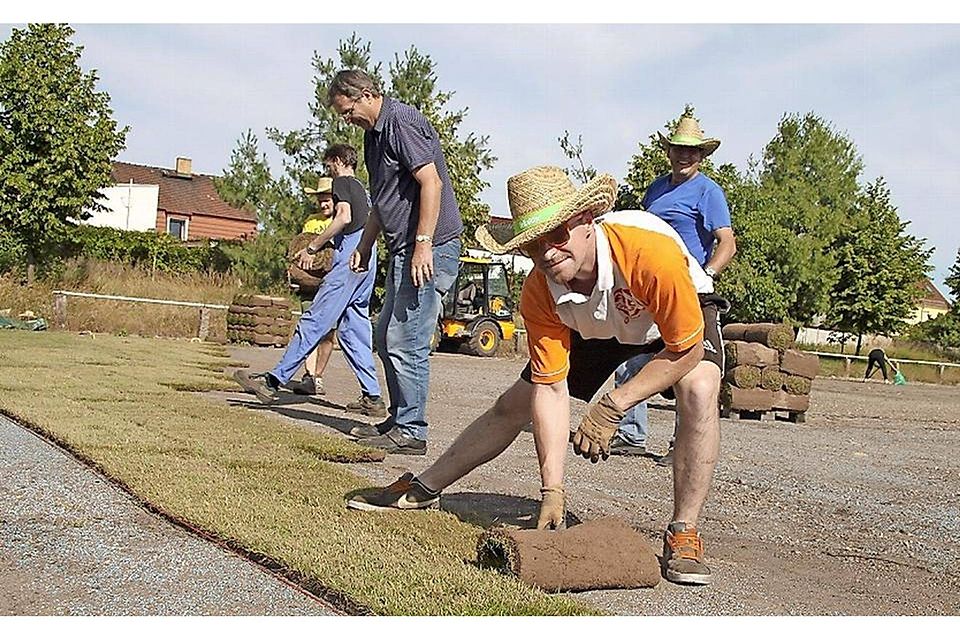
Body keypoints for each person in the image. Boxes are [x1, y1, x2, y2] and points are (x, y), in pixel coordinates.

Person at [348, 166, 723, 586]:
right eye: (533, 244)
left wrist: (614, 405)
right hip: (596, 324)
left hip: (663, 318)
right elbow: (551, 388)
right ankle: (424, 487)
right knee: (514, 404)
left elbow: (686, 350)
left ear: (586, 221)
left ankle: (684, 531)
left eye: (557, 235)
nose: (547, 252)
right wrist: (552, 490)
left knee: (699, 387)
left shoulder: (648, 253)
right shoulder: (541, 289)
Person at [328, 69, 462, 456]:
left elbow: (431, 183)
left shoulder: (401, 122)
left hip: (430, 246)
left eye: (348, 110)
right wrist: (365, 244)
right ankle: (400, 419)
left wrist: (423, 244)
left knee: (408, 340)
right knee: (385, 336)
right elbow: (384, 201)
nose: (347, 119)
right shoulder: (374, 135)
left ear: (367, 95)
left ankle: (412, 430)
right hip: (403, 247)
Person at [612, 116, 736, 466]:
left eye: (692, 151)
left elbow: (727, 243)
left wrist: (706, 274)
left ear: (701, 156)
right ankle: (631, 433)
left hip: (687, 287)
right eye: (679, 149)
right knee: (632, 354)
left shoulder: (709, 192)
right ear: (669, 151)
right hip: (649, 286)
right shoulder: (655, 189)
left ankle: (682, 444)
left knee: (688, 361)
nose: (685, 156)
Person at [233, 143, 385, 417]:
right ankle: (373, 397)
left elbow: (344, 217)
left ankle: (272, 382)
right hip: (367, 255)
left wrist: (312, 247)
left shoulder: (342, 183)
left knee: (314, 320)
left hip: (350, 258)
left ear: (337, 161)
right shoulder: (363, 190)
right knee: (354, 329)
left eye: (329, 165)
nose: (328, 170)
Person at [287, 177, 336, 397]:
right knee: (308, 328)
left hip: (332, 284)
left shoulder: (343, 221)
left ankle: (318, 375)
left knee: (328, 333)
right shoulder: (311, 222)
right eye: (320, 200)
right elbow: (301, 246)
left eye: (327, 200)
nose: (323, 204)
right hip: (310, 284)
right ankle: (309, 376)